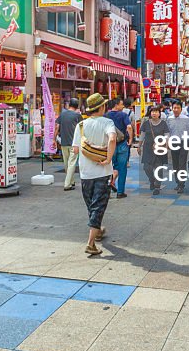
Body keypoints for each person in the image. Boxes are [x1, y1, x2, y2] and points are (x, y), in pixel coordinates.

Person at [71, 93, 117, 256]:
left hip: (85, 174)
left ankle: (97, 230)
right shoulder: (107, 122)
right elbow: (112, 139)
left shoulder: (81, 125)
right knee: (98, 206)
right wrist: (108, 158)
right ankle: (90, 243)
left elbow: (75, 149)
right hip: (102, 172)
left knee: (92, 205)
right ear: (102, 107)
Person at [138, 104, 170, 195]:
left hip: (159, 148)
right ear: (150, 113)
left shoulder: (163, 123)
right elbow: (142, 135)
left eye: (156, 112)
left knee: (158, 167)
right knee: (146, 167)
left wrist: (163, 143)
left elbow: (167, 135)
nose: (154, 113)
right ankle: (152, 180)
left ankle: (157, 186)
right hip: (148, 148)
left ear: (159, 113)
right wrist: (139, 146)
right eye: (152, 112)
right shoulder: (146, 123)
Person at [165, 101, 189, 194]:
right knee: (175, 164)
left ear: (181, 109)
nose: (176, 110)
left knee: (182, 163)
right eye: (174, 108)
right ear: (172, 108)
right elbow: (167, 132)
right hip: (174, 143)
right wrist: (167, 142)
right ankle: (178, 182)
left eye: (178, 108)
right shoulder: (169, 119)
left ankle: (182, 184)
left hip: (184, 142)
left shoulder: (186, 119)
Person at [105, 98, 132, 198]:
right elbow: (129, 127)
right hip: (122, 144)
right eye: (121, 104)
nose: (123, 106)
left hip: (109, 145)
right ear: (116, 105)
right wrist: (131, 139)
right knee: (122, 168)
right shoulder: (124, 115)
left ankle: (107, 188)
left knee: (109, 167)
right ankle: (120, 192)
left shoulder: (105, 116)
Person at [55, 98, 83, 191]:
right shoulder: (77, 116)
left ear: (69, 105)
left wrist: (53, 139)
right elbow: (82, 129)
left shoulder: (62, 114)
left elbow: (57, 126)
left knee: (67, 163)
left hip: (64, 142)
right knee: (72, 164)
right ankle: (67, 184)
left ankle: (71, 181)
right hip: (74, 143)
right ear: (77, 106)